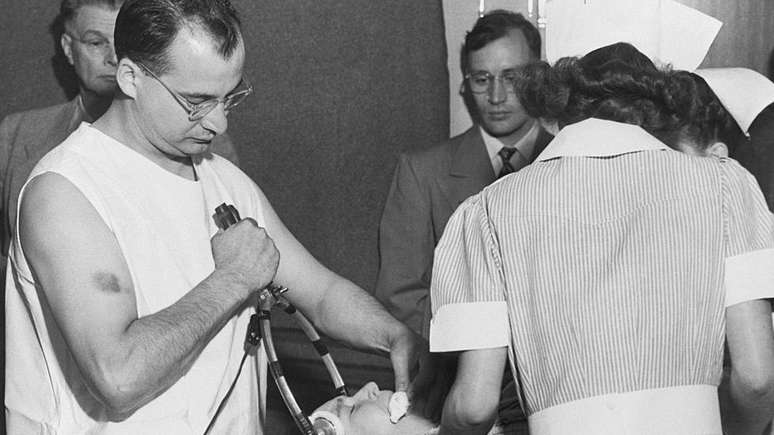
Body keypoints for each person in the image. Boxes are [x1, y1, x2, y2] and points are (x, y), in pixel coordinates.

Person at [4, 0, 424, 433]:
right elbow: (118, 376)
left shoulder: (224, 179)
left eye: (229, 97)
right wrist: (233, 280)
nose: (219, 123)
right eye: (197, 101)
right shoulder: (65, 191)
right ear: (130, 77)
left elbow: (321, 294)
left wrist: (395, 336)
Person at [429, 43, 774, 435]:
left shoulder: (489, 210)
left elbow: (473, 407)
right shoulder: (724, 184)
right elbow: (757, 378)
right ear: (660, 117)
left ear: (559, 116)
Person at [0, 0, 241, 270]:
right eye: (96, 42)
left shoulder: (206, 141)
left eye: (124, 43)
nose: (114, 57)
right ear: (68, 48)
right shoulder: (18, 133)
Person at [375, 9, 552, 336]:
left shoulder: (570, 164)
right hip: (455, 359)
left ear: (538, 79)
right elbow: (401, 296)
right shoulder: (422, 172)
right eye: (482, 79)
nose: (496, 97)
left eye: (511, 77)